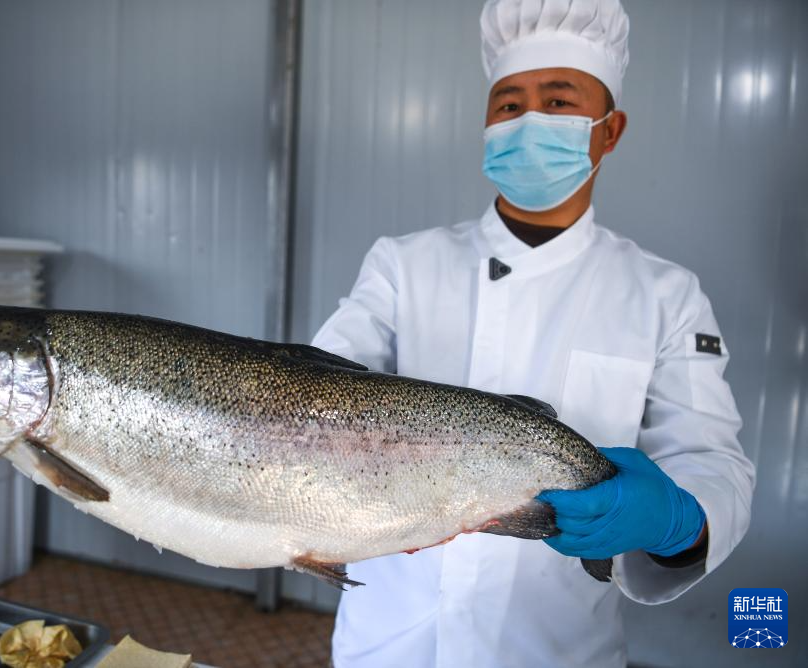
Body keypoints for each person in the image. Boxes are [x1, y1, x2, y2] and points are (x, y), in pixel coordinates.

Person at [311, 0, 756, 666]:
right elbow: (311, 394)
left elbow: (713, 460)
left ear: (610, 131)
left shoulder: (665, 296)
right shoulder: (403, 265)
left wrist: (678, 519)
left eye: (558, 101)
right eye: (509, 104)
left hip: (555, 648)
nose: (529, 121)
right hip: (387, 641)